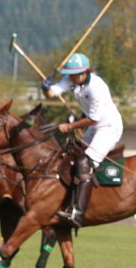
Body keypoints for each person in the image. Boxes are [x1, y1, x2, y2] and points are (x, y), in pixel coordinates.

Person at [41, 53, 123, 226]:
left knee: (85, 162)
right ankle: (67, 201)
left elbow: (93, 118)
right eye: (70, 74)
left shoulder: (97, 87)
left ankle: (78, 212)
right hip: (94, 127)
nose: (71, 77)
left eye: (75, 74)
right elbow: (52, 93)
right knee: (72, 156)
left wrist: (70, 126)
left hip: (108, 127)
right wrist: (45, 88)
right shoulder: (72, 79)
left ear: (85, 72)